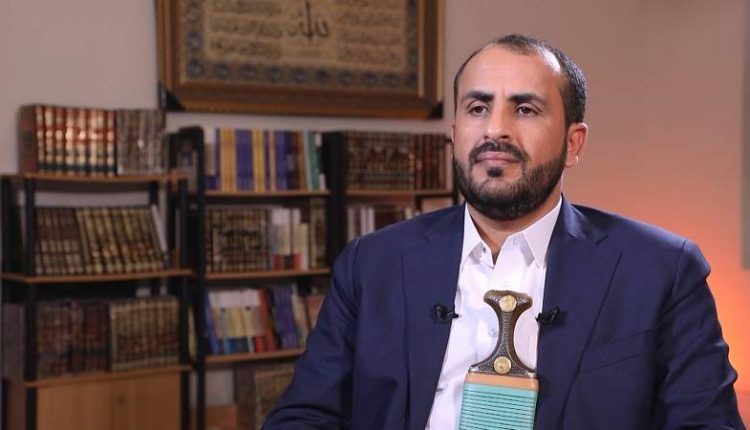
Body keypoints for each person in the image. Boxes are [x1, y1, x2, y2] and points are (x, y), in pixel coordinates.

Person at [263, 34, 744, 429]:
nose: (495, 130)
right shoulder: (372, 264)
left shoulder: (660, 271)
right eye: (477, 108)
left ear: (573, 143)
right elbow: (304, 416)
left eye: (525, 109)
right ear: (455, 132)